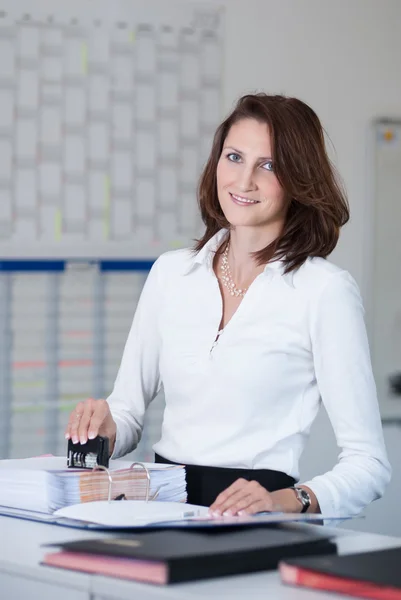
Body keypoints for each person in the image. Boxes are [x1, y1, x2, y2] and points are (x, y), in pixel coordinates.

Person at [65, 93, 391, 519]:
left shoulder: (324, 291)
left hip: (257, 522)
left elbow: (370, 465)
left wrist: (288, 501)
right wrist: (105, 428)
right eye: (234, 157)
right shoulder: (171, 274)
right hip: (163, 513)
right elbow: (127, 411)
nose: (244, 180)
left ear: (298, 179)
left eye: (269, 165)